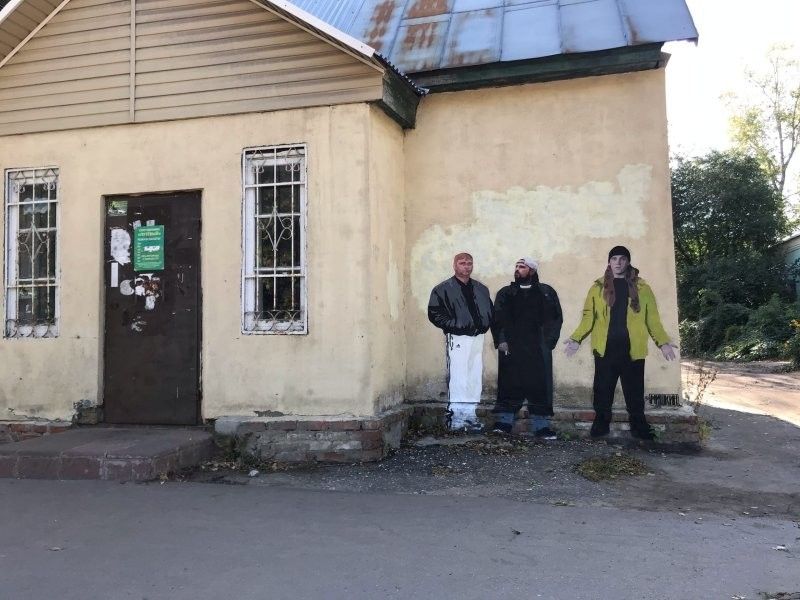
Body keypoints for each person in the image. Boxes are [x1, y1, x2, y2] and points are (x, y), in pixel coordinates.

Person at [564, 246, 677, 440]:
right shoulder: (597, 287)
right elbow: (588, 317)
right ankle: (601, 425)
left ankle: (639, 427)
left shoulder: (642, 288)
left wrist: (663, 342)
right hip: (605, 348)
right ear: (609, 262)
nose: (618, 262)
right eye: (614, 258)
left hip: (633, 349)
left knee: (634, 392)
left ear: (628, 262)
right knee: (602, 390)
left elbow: (652, 319)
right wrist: (576, 338)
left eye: (622, 259)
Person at [491, 258, 563, 438]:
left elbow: (555, 318)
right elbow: (497, 318)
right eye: (516, 266)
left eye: (522, 267)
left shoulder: (546, 292)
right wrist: (501, 340)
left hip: (537, 348)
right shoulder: (506, 293)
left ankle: (541, 426)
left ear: (532, 270)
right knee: (509, 384)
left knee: (539, 387)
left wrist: (548, 343)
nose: (517, 269)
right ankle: (504, 423)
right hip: (512, 347)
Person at [428, 252, 493, 432]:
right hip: (457, 337)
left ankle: (470, 415)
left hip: (477, 336)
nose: (466, 266)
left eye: (469, 263)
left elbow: (489, 310)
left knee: (474, 376)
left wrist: (485, 324)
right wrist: (455, 325)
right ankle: (457, 417)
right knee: (459, 376)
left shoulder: (481, 289)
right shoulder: (443, 289)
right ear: (454, 265)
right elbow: (434, 313)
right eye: (462, 263)